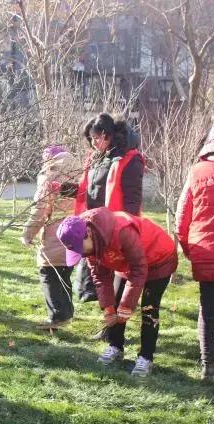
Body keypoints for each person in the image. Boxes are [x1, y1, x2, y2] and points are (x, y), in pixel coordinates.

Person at [57, 208, 177, 377]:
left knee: (149, 309)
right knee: (115, 303)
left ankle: (145, 357)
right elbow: (100, 276)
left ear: (88, 234)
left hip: (158, 259)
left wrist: (127, 307)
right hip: (127, 262)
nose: (81, 253)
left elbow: (139, 269)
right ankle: (115, 346)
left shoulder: (121, 231)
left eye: (79, 248)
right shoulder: (90, 246)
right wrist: (108, 308)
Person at [176, 120, 214, 379]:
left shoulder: (198, 170)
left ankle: (209, 365)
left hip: (206, 250)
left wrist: (189, 248)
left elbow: (182, 217)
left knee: (210, 309)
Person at [75, 113, 145, 303]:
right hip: (93, 220)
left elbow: (133, 197)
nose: (93, 143)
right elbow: (88, 187)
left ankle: (114, 317)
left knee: (116, 268)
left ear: (108, 135)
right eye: (90, 139)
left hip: (116, 223)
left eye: (96, 138)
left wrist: (127, 227)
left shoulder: (129, 158)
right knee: (95, 266)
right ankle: (102, 305)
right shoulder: (95, 157)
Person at [21, 145, 78, 330]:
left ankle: (57, 317)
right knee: (64, 273)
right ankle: (67, 313)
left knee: (48, 273)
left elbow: (40, 209)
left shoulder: (50, 175)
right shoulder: (79, 172)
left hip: (55, 231)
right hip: (76, 230)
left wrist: (27, 233)